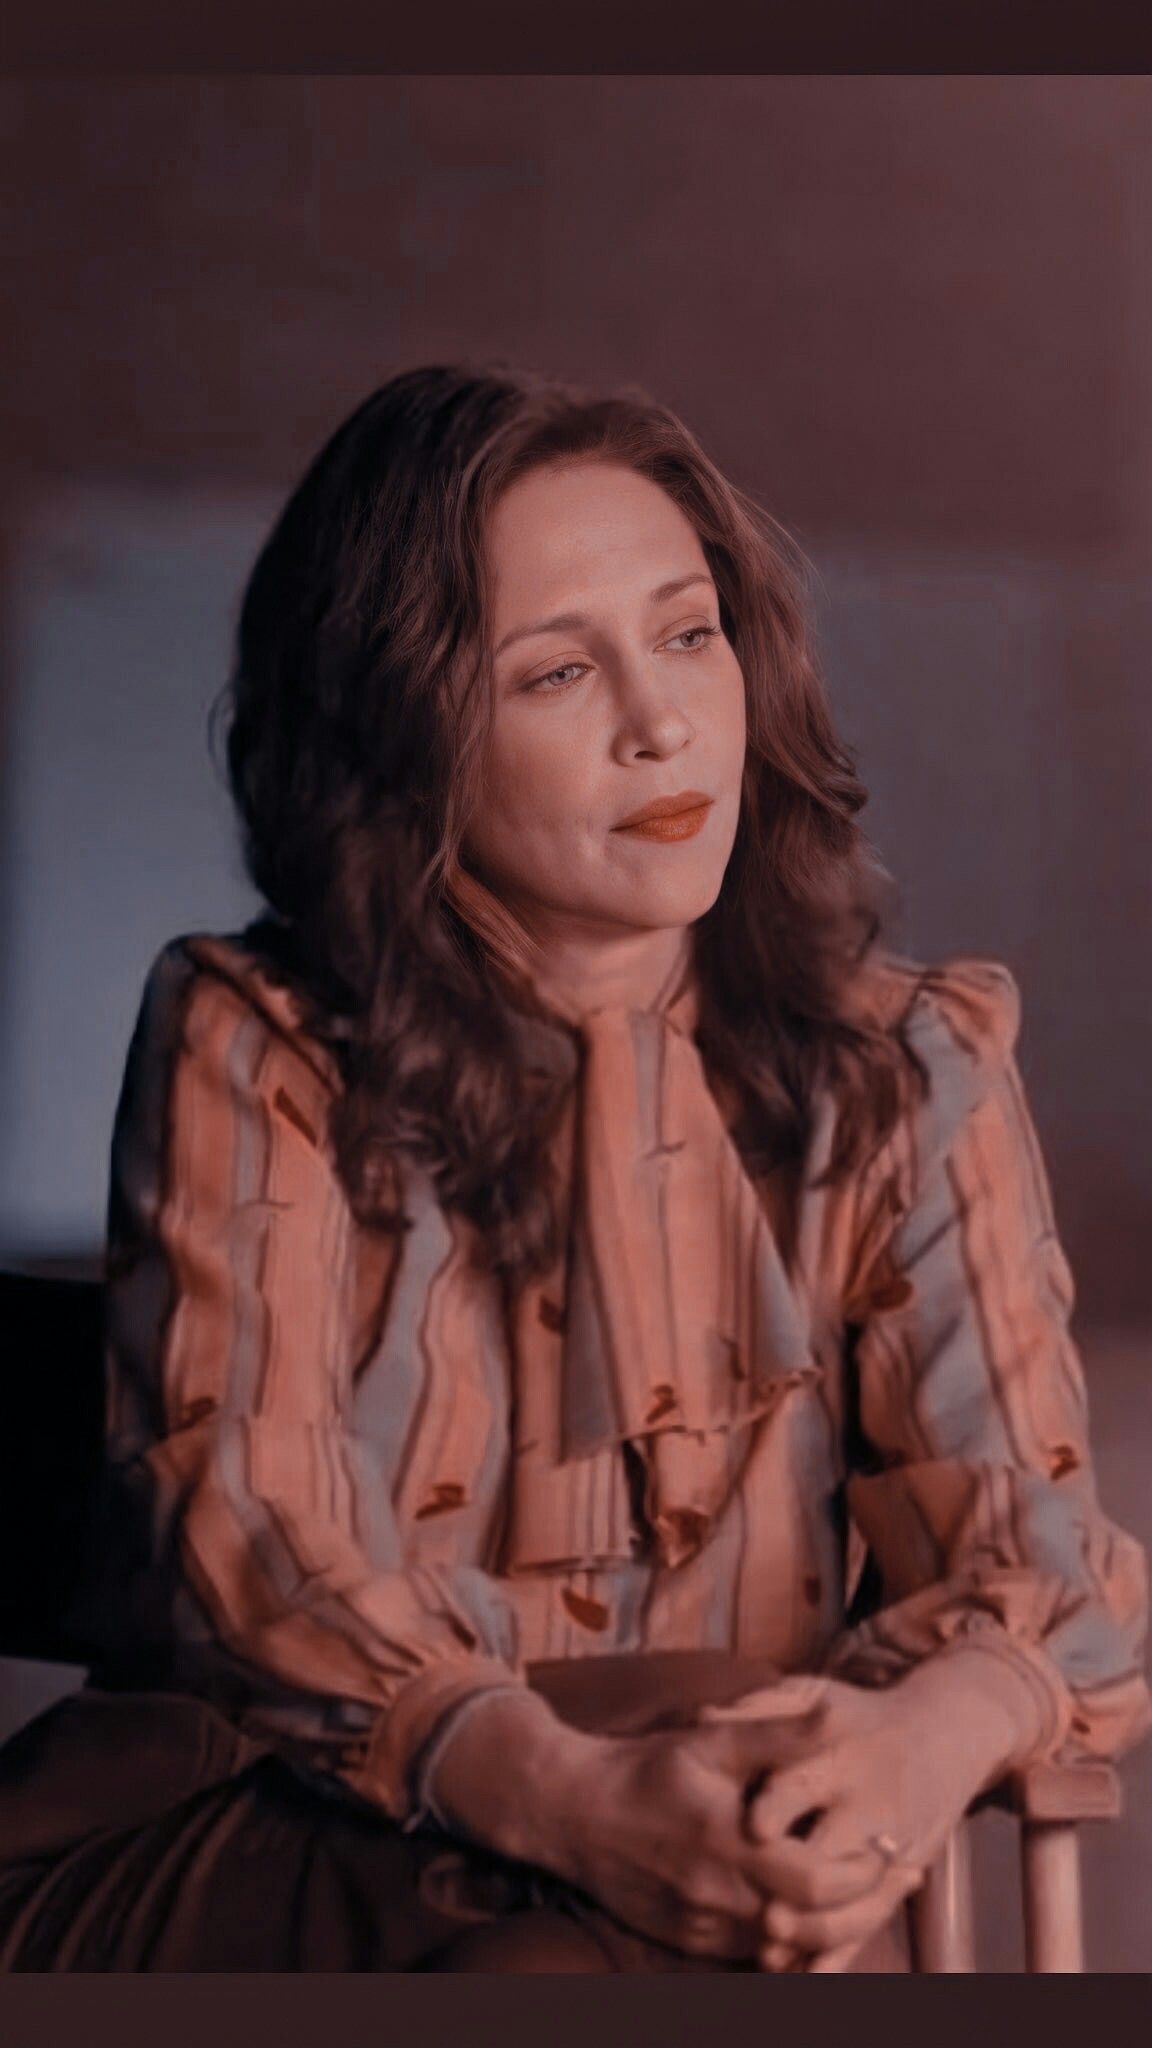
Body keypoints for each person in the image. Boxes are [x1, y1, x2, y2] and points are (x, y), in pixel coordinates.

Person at [0, 362, 1147, 1973]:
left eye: (689, 635)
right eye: (555, 673)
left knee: (686, 1843)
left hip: (708, 1865)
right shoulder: (254, 1041)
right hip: (266, 1846)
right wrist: (577, 1799)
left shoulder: (910, 1066)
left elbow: (1041, 1556)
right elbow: (251, 1549)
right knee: (623, 1886)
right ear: (401, 738)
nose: (662, 723)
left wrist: (918, 1745)